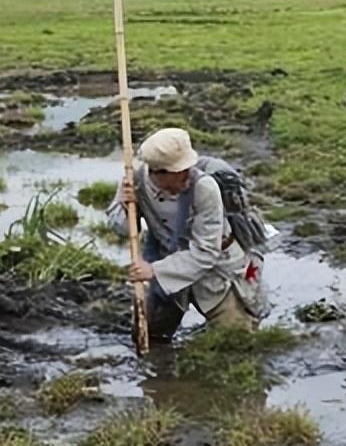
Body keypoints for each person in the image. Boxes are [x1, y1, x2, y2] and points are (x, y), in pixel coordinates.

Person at [108, 128, 265, 341]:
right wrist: (128, 207)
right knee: (149, 337)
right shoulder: (134, 182)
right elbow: (123, 229)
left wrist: (153, 270)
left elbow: (206, 253)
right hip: (168, 262)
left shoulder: (205, 187)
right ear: (158, 172)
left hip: (217, 270)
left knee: (236, 342)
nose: (187, 175)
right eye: (179, 171)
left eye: (188, 167)